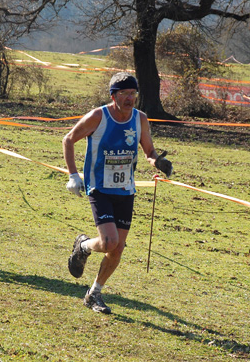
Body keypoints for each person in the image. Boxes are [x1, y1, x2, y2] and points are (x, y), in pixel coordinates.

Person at [63, 72, 173, 314]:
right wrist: (73, 175)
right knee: (109, 241)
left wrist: (158, 163)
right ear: (113, 96)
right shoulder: (98, 116)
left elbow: (149, 151)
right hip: (99, 187)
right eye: (124, 94)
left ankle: (94, 294)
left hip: (125, 190)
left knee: (117, 249)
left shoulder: (140, 119)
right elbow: (69, 139)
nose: (130, 98)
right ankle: (83, 246)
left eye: (133, 94)